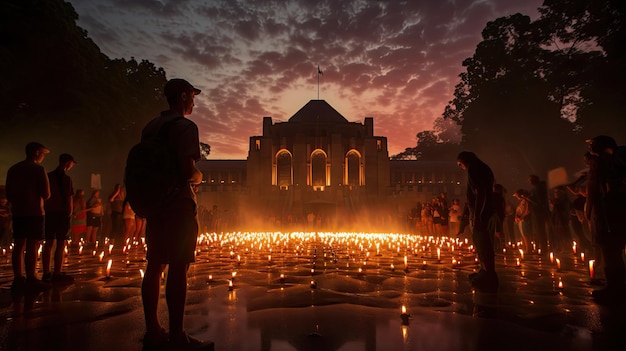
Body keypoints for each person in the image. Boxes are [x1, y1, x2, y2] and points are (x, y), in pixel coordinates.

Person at [140, 78, 210, 349]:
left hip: (155, 203)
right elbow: (187, 171)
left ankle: (153, 329)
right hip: (178, 204)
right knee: (178, 266)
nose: (194, 101)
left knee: (154, 264)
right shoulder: (185, 126)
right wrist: (199, 175)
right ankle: (178, 335)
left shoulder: (151, 127)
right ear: (182, 96)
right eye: (192, 96)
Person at [585, 135, 626, 304]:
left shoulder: (614, 157)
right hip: (612, 210)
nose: (590, 148)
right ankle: (616, 288)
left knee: (610, 251)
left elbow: (593, 189)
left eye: (593, 144)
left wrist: (589, 212)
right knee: (613, 251)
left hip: (610, 212)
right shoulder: (608, 160)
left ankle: (615, 291)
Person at [5, 142, 51, 291]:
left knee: (18, 245)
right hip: (35, 212)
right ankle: (31, 277)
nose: (43, 156)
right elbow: (46, 194)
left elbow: (9, 193)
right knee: (32, 245)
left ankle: (18, 278)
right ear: (37, 153)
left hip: (18, 212)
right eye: (43, 153)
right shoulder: (38, 169)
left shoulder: (13, 169)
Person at [456, 151, 499, 292]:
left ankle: (489, 274)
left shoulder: (475, 168)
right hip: (484, 211)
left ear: (464, 161)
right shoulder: (481, 167)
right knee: (482, 242)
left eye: (460, 164)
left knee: (483, 242)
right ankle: (485, 270)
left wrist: (478, 214)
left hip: (482, 212)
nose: (460, 166)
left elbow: (480, 192)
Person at [42, 153, 76, 284]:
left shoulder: (48, 177)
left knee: (49, 243)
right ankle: (57, 272)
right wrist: (69, 214)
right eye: (72, 163)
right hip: (61, 213)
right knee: (61, 243)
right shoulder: (67, 179)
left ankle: (46, 273)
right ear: (68, 163)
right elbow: (69, 199)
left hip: (49, 212)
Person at [528, 174, 550, 251]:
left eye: (530, 179)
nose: (529, 181)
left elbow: (539, 202)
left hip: (539, 213)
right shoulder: (537, 188)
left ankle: (544, 248)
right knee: (539, 231)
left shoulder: (538, 188)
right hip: (537, 212)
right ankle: (542, 247)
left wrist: (528, 198)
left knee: (540, 230)